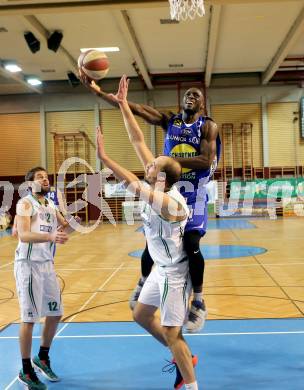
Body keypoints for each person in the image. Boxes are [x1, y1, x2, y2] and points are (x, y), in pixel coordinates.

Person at [80, 73, 221, 332]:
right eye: (187, 94)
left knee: (191, 243)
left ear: (202, 104)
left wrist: (168, 162)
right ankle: (144, 281)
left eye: (196, 95)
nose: (190, 96)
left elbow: (204, 161)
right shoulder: (171, 120)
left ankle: (198, 300)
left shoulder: (207, 126)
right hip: (169, 183)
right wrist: (105, 96)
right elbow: (140, 111)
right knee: (152, 241)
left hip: (193, 191)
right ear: (181, 101)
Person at [96, 74, 199, 390]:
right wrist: (124, 105)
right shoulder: (157, 181)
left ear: (161, 176)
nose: (148, 163)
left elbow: (130, 182)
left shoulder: (171, 203)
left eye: (154, 164)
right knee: (141, 315)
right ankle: (182, 357)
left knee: (172, 332)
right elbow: (138, 139)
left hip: (176, 275)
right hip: (160, 268)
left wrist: (104, 159)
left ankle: (190, 380)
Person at [15, 167, 70, 390]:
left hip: (47, 265)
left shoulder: (50, 205)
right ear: (30, 184)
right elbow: (25, 235)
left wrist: (72, 224)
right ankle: (26, 370)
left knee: (56, 313)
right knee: (29, 319)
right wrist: (50, 235)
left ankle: (42, 357)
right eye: (40, 177)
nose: (45, 178)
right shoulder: (25, 203)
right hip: (28, 266)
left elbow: (62, 230)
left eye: (46, 176)